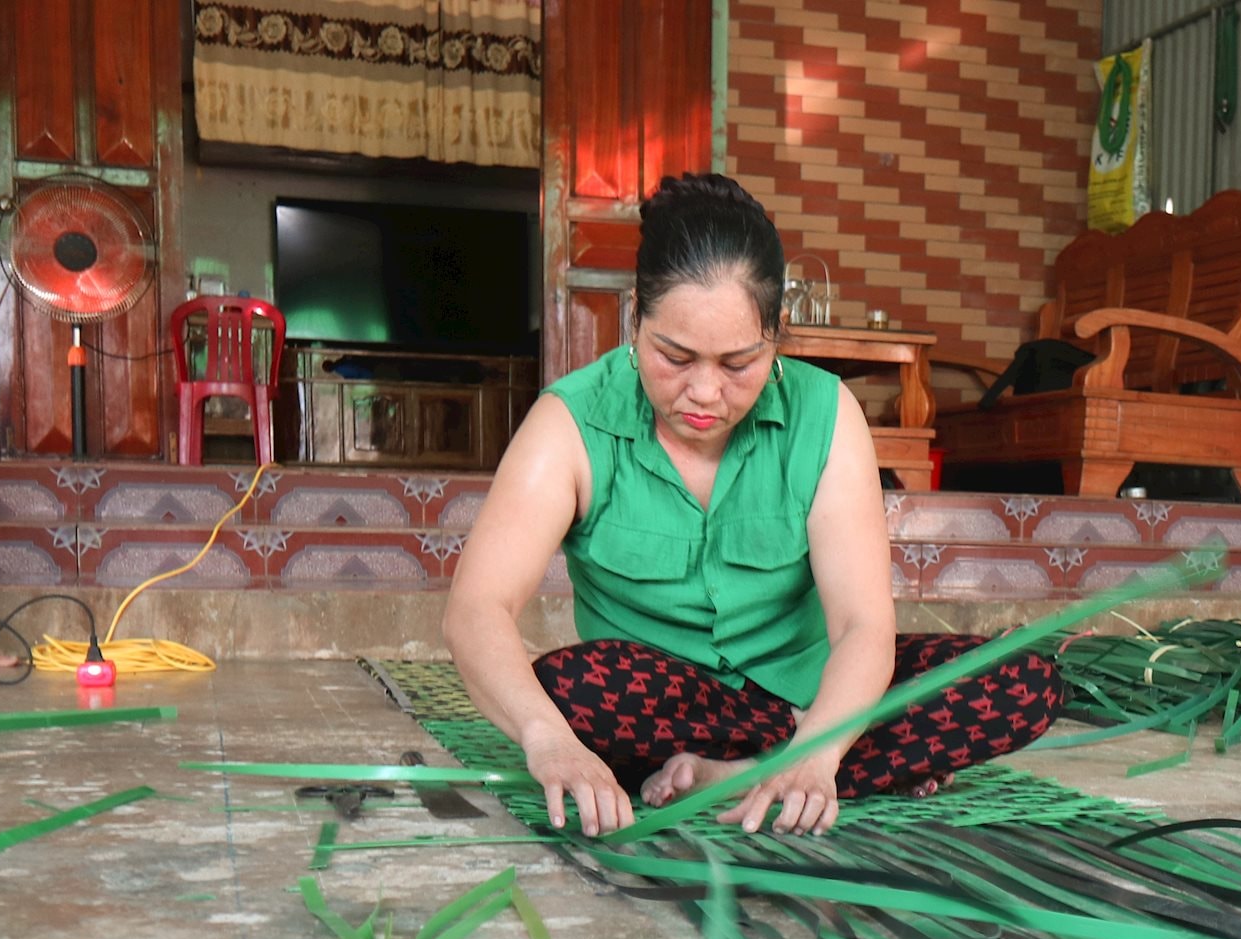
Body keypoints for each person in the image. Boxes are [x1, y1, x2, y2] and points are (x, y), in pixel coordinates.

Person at [444, 173, 1062, 837]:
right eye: (674, 357)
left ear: (778, 333)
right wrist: (548, 740)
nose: (705, 392)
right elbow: (476, 610)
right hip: (668, 703)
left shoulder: (826, 416)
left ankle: (741, 771)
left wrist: (820, 748)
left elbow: (861, 626)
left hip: (810, 695)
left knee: (1023, 680)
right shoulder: (569, 425)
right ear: (636, 319)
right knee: (571, 693)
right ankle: (816, 763)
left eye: (738, 362)